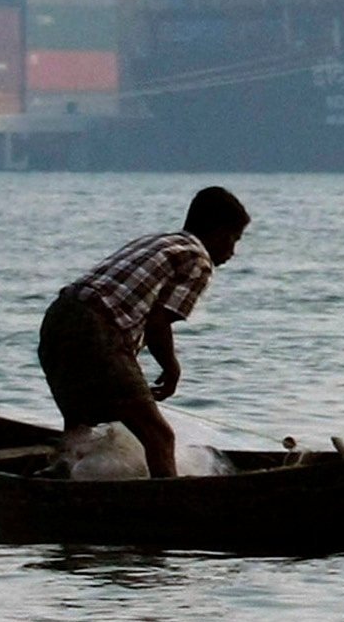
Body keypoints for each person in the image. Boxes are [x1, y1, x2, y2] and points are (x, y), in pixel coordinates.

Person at [40, 186, 248, 480]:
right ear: (216, 232)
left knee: (79, 423)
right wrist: (171, 368)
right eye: (232, 239)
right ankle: (169, 503)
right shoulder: (198, 259)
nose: (231, 252)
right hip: (96, 328)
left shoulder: (159, 241)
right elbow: (157, 322)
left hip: (58, 318)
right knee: (159, 435)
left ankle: (59, 475)